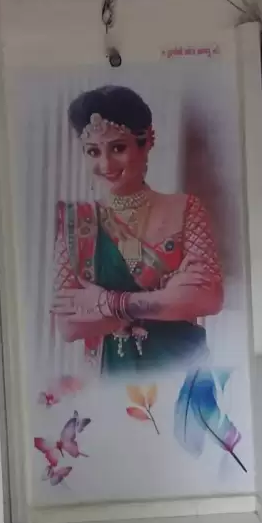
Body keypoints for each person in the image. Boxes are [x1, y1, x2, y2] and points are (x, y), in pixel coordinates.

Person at [51, 84, 224, 376]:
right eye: (93, 151)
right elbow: (68, 325)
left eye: (118, 148)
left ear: (147, 142)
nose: (105, 163)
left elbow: (207, 297)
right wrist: (166, 301)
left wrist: (106, 303)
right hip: (109, 376)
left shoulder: (186, 209)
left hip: (182, 372)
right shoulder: (77, 222)